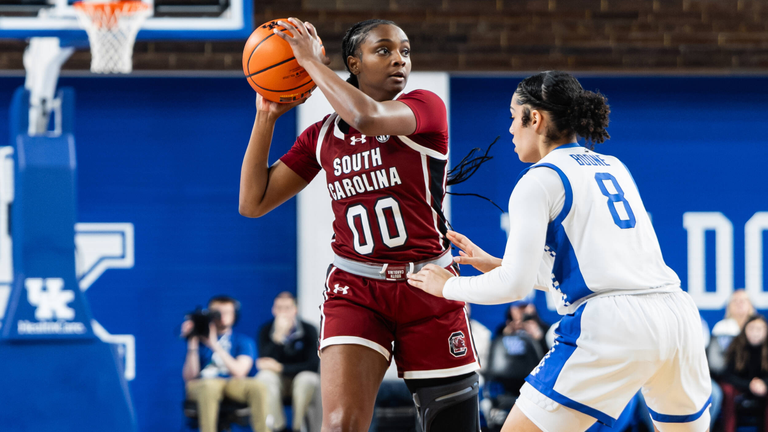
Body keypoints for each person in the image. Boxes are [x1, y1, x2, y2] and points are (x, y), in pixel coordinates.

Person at [407, 71, 711, 432]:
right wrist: (498, 264)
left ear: (533, 118)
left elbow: (513, 289)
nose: (509, 130)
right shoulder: (614, 166)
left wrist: (446, 287)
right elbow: (597, 270)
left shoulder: (537, 180)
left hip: (613, 325)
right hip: (677, 316)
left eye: (512, 116)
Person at [239, 17, 481, 432]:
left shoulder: (424, 108)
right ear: (354, 61)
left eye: (404, 51)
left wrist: (312, 63)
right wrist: (267, 115)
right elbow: (253, 202)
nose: (398, 60)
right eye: (383, 50)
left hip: (428, 283)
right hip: (357, 289)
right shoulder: (322, 135)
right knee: (340, 425)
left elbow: (367, 117)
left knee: (452, 425)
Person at [182, 295, 268, 432]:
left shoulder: (243, 342)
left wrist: (213, 344)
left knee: (257, 386)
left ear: (235, 315)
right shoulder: (198, 341)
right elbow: (190, 378)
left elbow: (240, 371)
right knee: (209, 386)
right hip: (205, 384)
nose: (222, 316)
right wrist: (192, 341)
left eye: (227, 312)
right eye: (217, 313)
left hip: (233, 383)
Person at [256, 292, 321, 432]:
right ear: (273, 310)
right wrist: (278, 337)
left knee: (306, 378)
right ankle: (279, 427)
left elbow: (313, 365)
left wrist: (281, 368)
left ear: (295, 310)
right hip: (278, 383)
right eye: (279, 308)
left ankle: (298, 427)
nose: (283, 312)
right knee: (264, 377)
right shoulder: (265, 330)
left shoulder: (309, 330)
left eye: (287, 308)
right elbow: (264, 361)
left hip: (302, 381)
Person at [720, 314, 768, 432]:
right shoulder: (736, 345)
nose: (755, 332)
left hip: (763, 389)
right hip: (740, 387)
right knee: (727, 390)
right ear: (745, 329)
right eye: (751, 328)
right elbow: (727, 375)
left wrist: (764, 384)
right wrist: (749, 385)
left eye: (759, 329)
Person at [709, 289, 756, 376]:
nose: (739, 304)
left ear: (750, 305)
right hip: (727, 377)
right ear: (729, 306)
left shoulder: (758, 327)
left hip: (754, 376)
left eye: (743, 301)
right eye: (735, 301)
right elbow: (715, 361)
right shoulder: (721, 328)